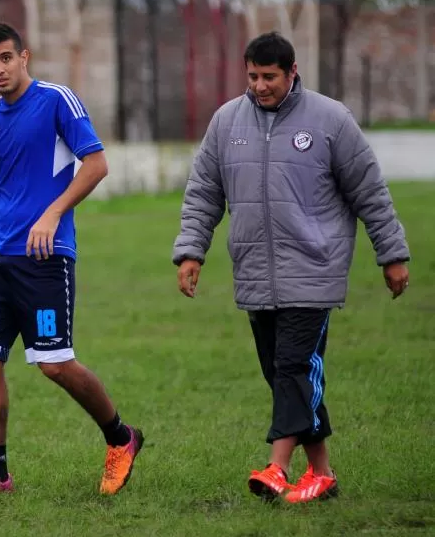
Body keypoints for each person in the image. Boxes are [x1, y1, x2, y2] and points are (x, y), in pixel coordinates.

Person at [172, 31, 410, 504]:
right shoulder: (226, 122)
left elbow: (370, 191)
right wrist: (191, 252)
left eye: (270, 77)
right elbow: (203, 193)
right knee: (286, 377)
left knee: (293, 368)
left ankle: (277, 469)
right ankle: (322, 474)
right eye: (253, 76)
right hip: (256, 273)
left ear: (292, 71)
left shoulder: (330, 119)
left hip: (314, 270)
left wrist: (393, 254)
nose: (260, 86)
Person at [0, 22, 143, 500]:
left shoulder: (57, 100)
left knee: (54, 364)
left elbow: (96, 163)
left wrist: (53, 213)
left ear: (24, 56)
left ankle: (122, 438)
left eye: (5, 59)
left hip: (45, 257)